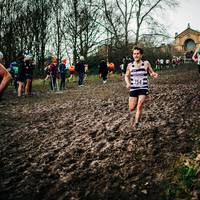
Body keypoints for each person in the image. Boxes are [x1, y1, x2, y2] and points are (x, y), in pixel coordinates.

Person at [125, 47, 158, 129]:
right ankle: (135, 103)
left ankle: (136, 123)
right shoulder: (130, 65)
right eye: (134, 54)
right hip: (133, 88)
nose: (136, 55)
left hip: (143, 87)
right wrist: (128, 83)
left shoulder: (146, 63)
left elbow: (151, 72)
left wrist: (154, 74)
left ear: (141, 55)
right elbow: (126, 75)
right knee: (131, 108)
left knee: (139, 106)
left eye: (137, 53)